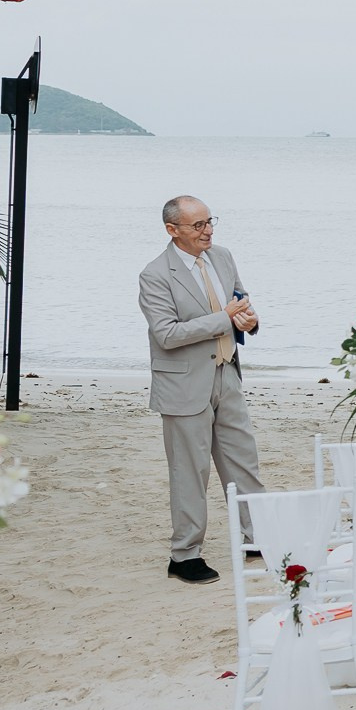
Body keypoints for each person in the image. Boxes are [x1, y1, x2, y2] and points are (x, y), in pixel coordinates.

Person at [138, 194, 262, 584]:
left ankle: (258, 538)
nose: (208, 231)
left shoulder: (222, 257)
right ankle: (185, 555)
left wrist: (249, 321)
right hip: (183, 385)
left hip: (227, 374)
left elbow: (240, 304)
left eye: (210, 222)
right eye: (198, 225)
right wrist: (223, 318)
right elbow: (167, 334)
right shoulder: (155, 275)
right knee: (190, 472)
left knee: (244, 462)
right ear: (172, 230)